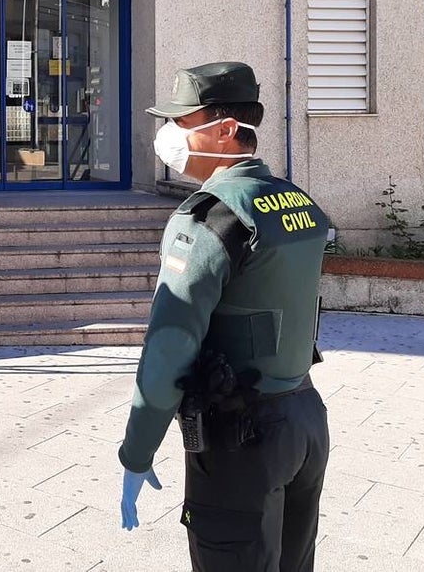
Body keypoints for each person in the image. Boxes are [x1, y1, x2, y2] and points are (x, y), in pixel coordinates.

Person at [118, 61, 330, 572]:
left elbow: (170, 343)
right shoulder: (294, 200)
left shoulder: (213, 217)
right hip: (303, 418)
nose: (169, 136)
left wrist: (137, 452)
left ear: (225, 129)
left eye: (182, 122)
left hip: (243, 435)